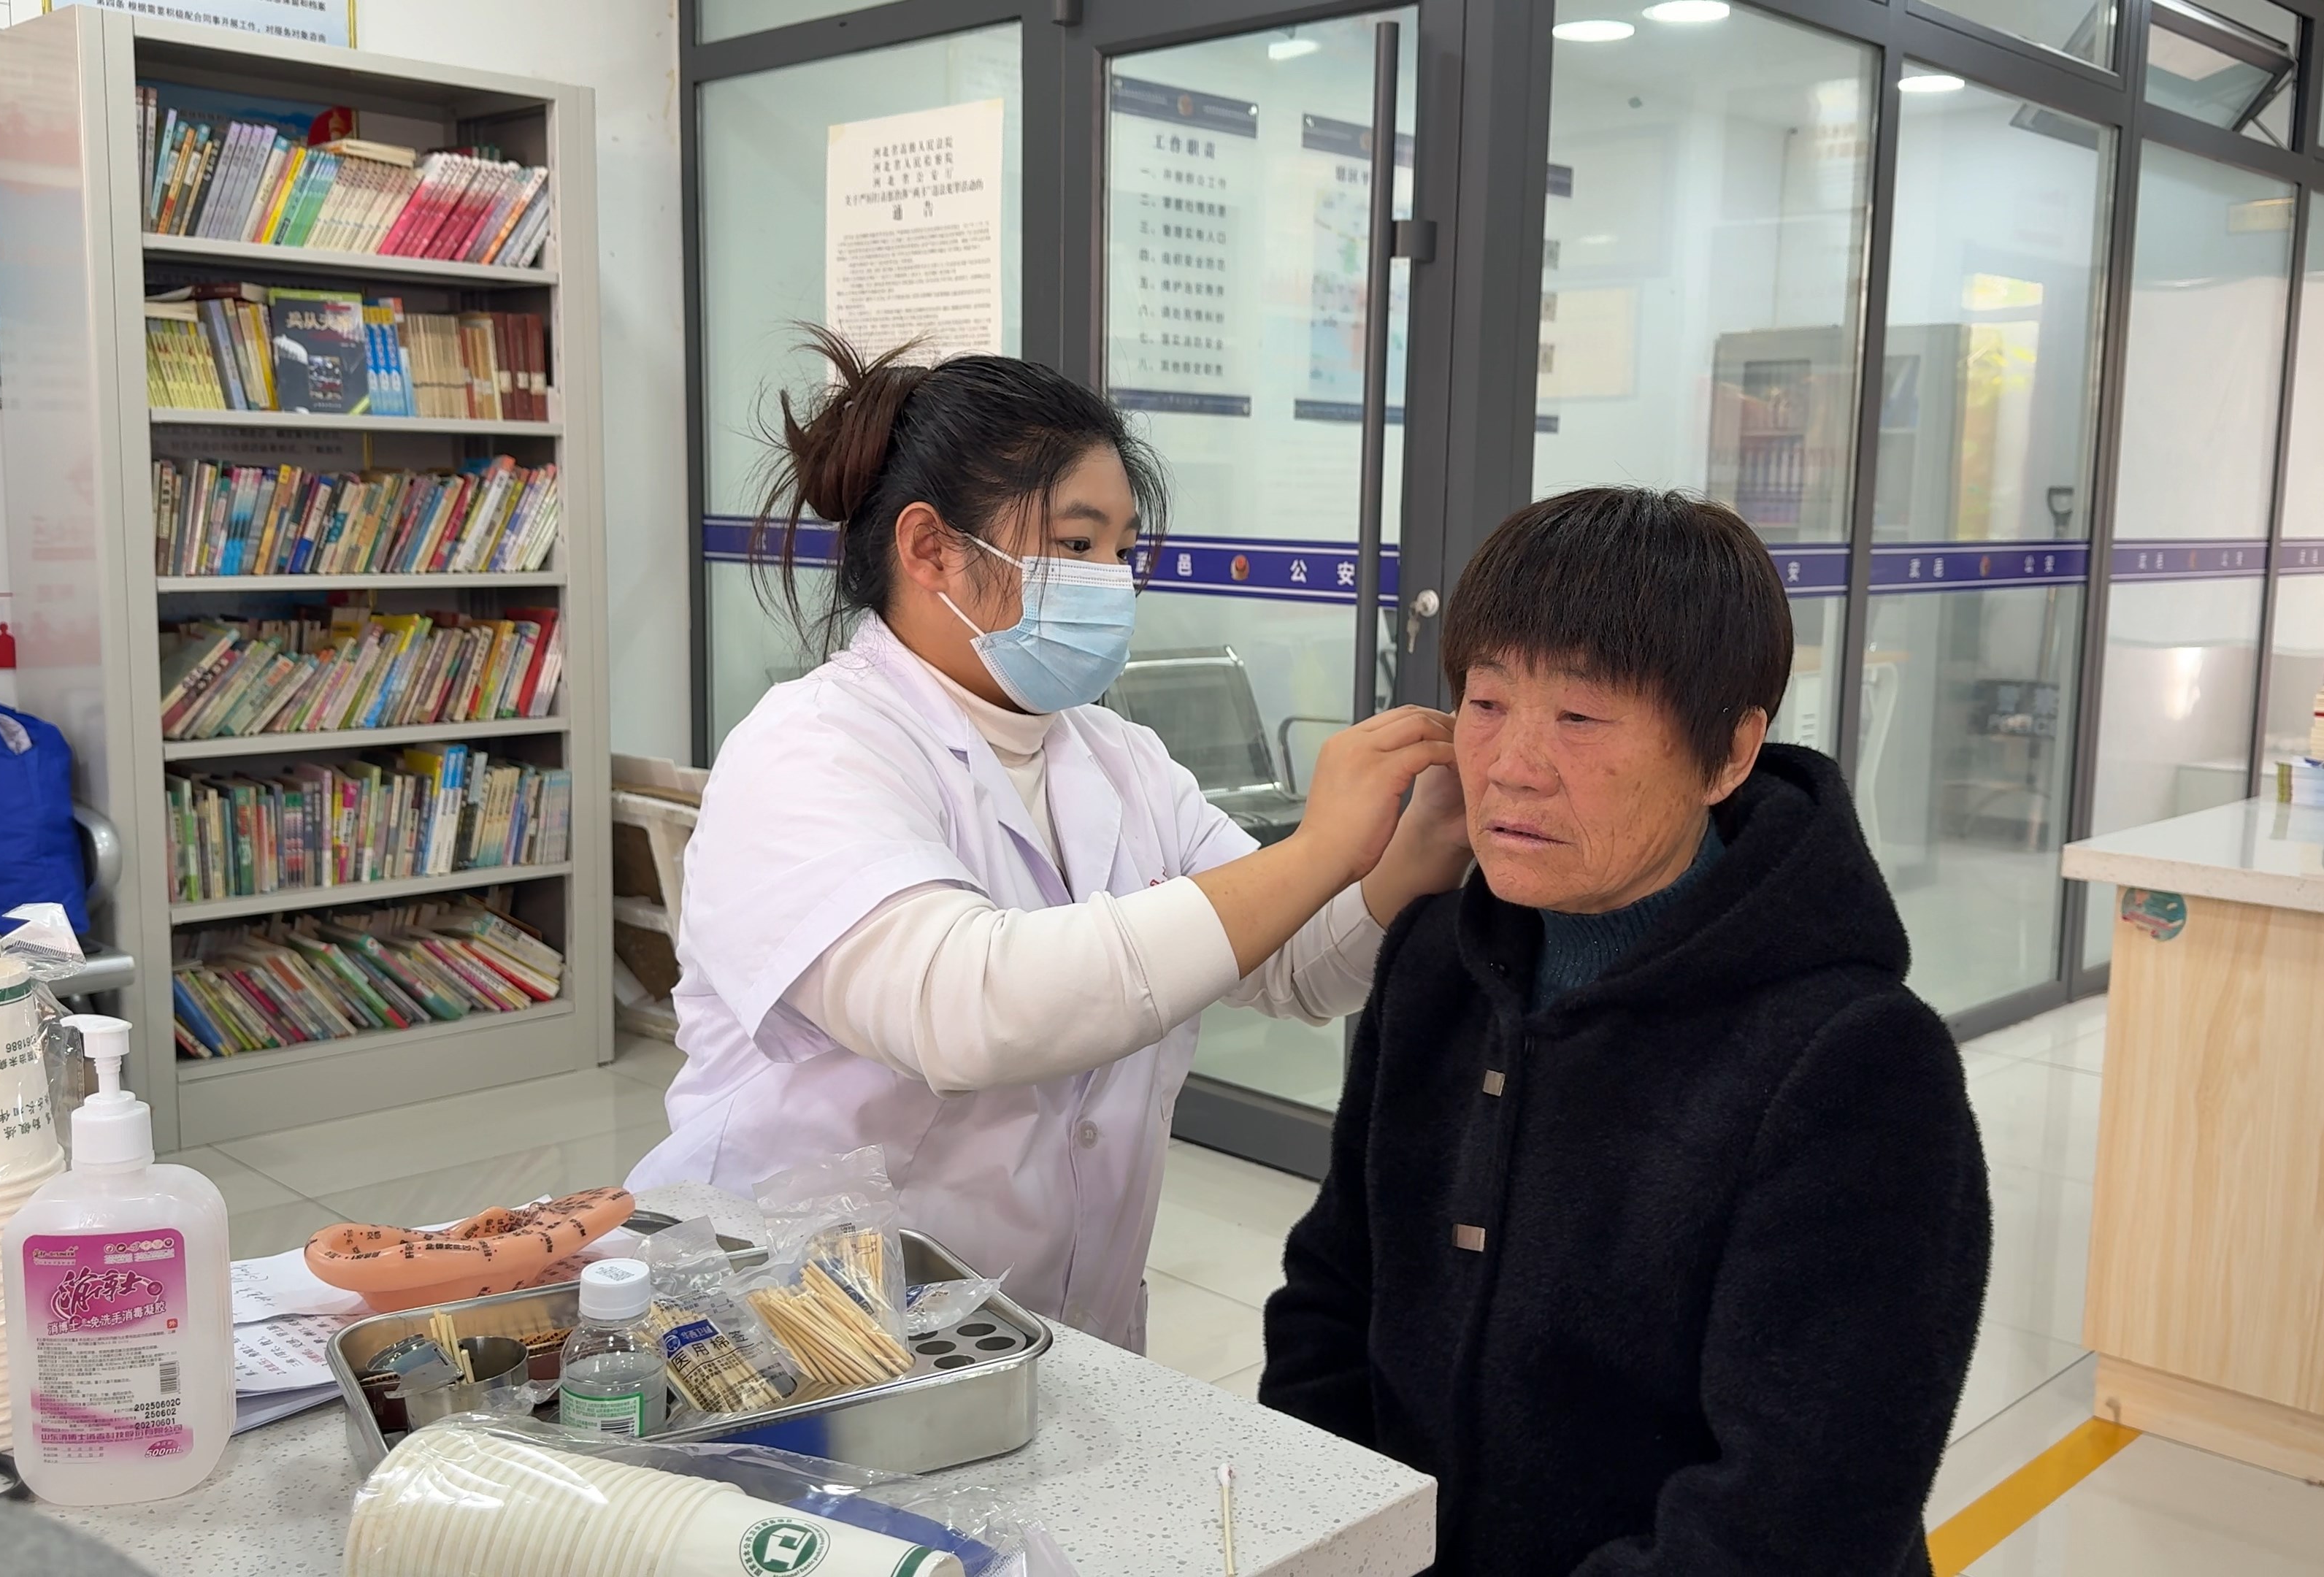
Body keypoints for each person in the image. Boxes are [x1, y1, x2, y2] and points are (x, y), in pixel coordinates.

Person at [628, 330, 1473, 1348]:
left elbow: (1290, 962)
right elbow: (967, 1011)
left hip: (1051, 1329)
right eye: (1076, 547)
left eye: (1122, 551)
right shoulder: (810, 750)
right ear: (930, 549)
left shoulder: (1116, 757)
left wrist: (1412, 857)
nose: (1112, 582)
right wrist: (1316, 851)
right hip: (805, 1326)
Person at [1259, 486, 1989, 1576]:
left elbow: (1796, 1521)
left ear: (1730, 753)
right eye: (1487, 702)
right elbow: (1331, 1295)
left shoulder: (1855, 1064)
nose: (1511, 764)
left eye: (1582, 717)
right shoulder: (1438, 960)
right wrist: (1327, 1538)